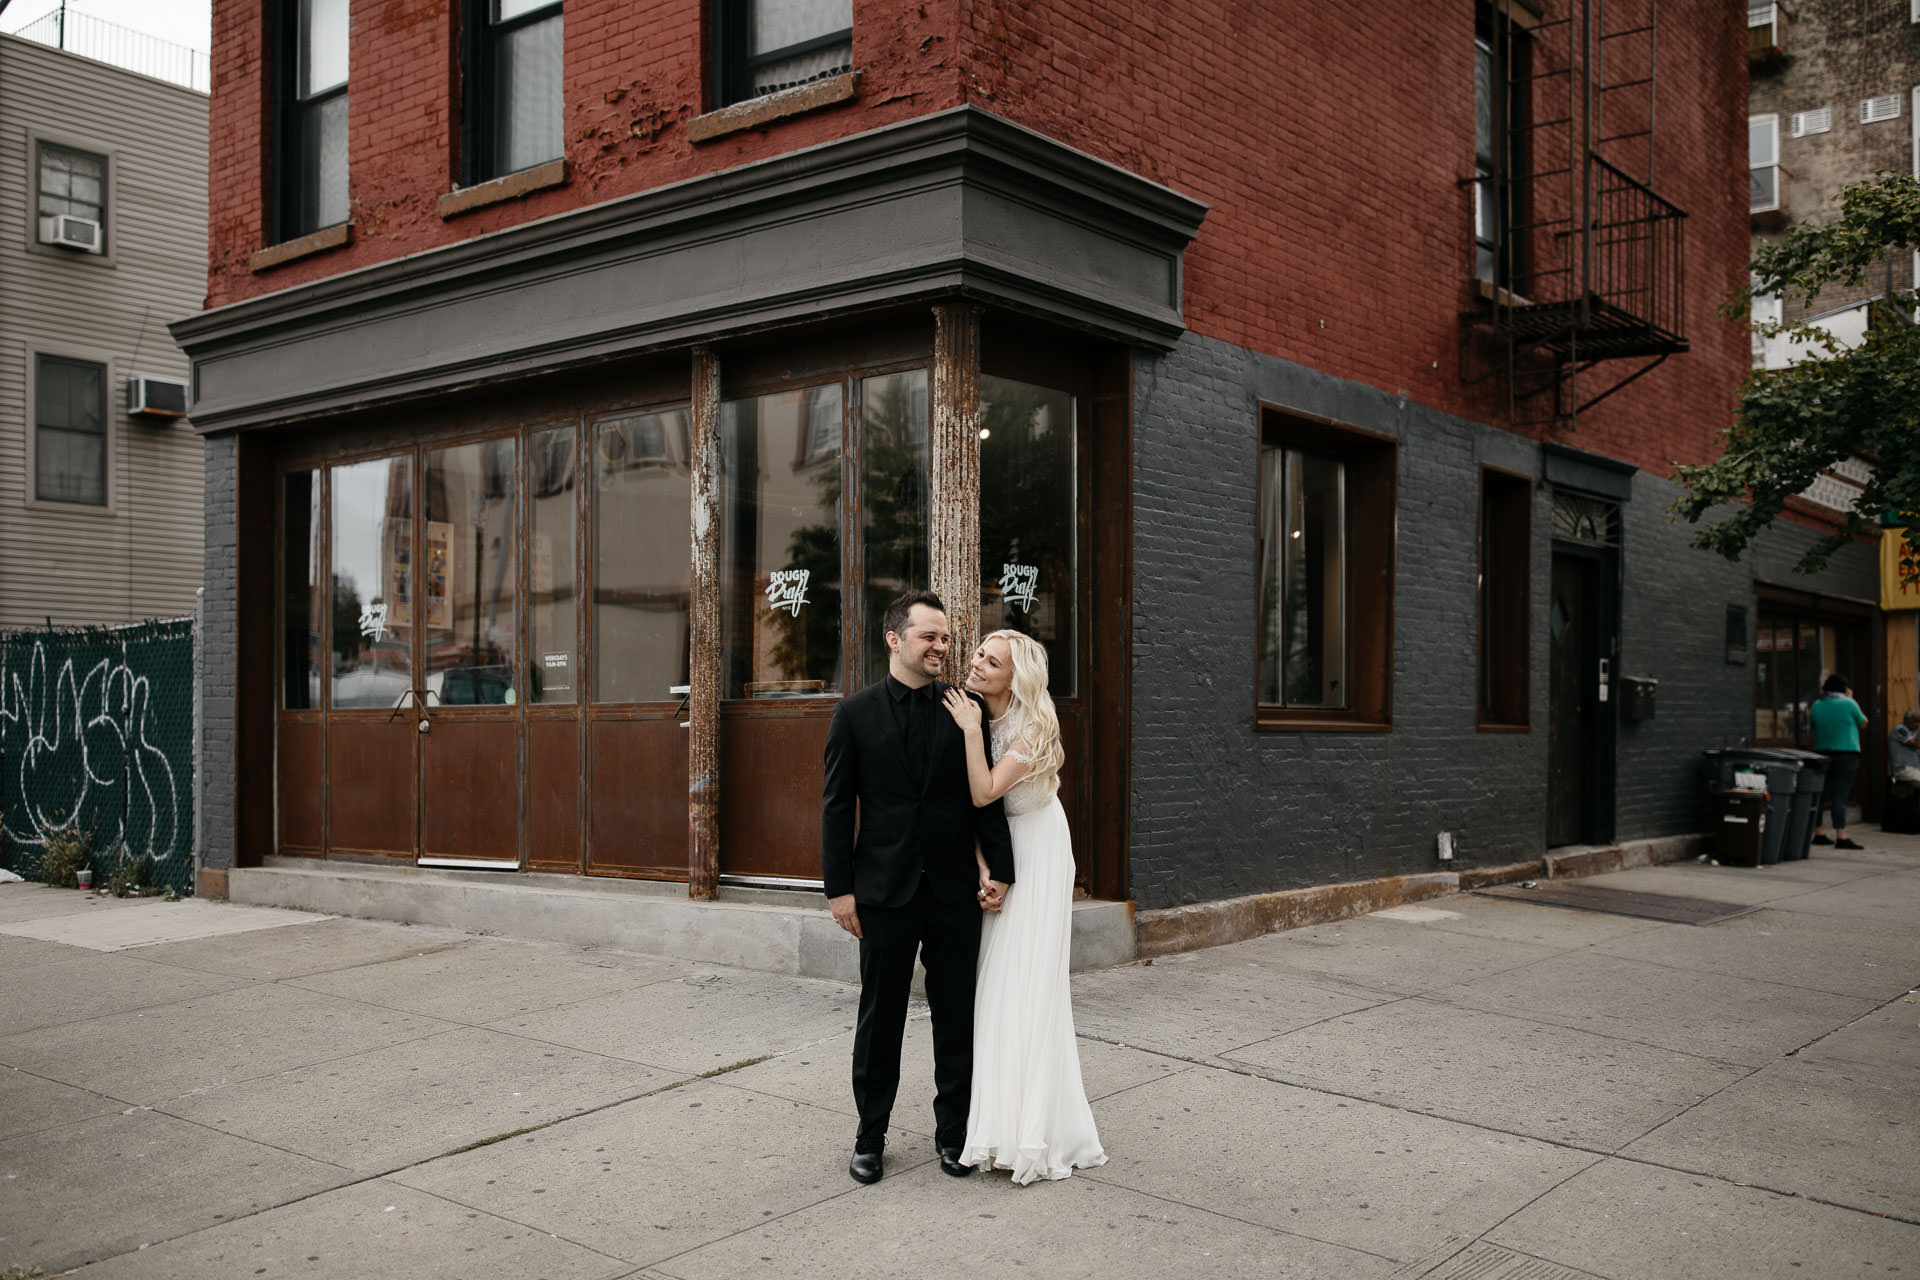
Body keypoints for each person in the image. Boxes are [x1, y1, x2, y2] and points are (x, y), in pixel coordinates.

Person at [821, 590, 1015, 1186]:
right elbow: (836, 808)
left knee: (956, 1019)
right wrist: (839, 890)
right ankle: (869, 1137)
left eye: (947, 638)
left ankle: (954, 1136)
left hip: (953, 892)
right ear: (894, 640)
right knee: (880, 1020)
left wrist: (1001, 871)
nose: (942, 647)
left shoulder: (965, 709)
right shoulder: (853, 714)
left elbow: (987, 799)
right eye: (930, 636)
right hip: (882, 892)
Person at [941, 629, 1107, 1184]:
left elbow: (986, 791)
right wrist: (986, 866)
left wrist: (969, 731)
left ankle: (1030, 1126)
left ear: (1017, 677)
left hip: (1037, 850)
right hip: (999, 849)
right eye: (979, 655)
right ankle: (993, 1121)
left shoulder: (1033, 724)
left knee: (1026, 980)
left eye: (992, 661)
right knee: (995, 982)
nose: (978, 664)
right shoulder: (970, 711)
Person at [1807, 673, 1868, 850]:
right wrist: (1851, 698)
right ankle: (1841, 836)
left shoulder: (1817, 705)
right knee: (1840, 796)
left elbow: (1812, 728)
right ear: (1844, 688)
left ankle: (1817, 832)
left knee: (1820, 795)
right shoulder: (1849, 703)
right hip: (1846, 754)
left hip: (1821, 754)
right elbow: (1864, 723)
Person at [1890, 708, 1920, 786]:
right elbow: (1917, 744)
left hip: (1913, 769)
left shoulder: (1911, 733)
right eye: (1915, 721)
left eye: (1919, 722)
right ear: (1906, 720)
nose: (1917, 724)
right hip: (1903, 769)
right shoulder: (1900, 729)